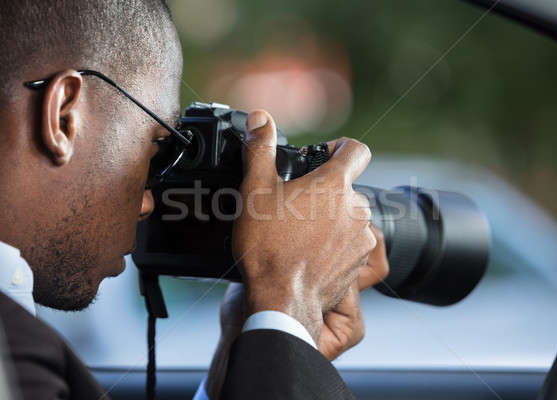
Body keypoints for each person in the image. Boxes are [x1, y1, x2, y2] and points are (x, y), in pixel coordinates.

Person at [0, 1, 389, 399]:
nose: (148, 203)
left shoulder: (17, 341)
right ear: (65, 118)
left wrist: (257, 341)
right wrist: (289, 301)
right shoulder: (14, 356)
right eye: (158, 146)